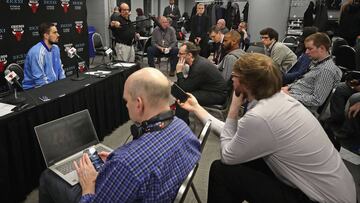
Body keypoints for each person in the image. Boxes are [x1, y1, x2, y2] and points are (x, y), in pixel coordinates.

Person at [179, 53, 356, 203]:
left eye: (234, 76)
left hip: (320, 199)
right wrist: (196, 108)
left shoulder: (261, 116)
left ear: (244, 83)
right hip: (338, 191)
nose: (231, 81)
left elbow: (228, 156)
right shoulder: (279, 101)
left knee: (222, 172)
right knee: (247, 159)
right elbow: (233, 134)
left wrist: (233, 109)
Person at [38, 68, 201, 203]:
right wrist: (115, 161)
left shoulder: (125, 165)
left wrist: (88, 187)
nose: (126, 105)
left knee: (48, 177)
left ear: (139, 104)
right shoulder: (182, 127)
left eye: (126, 101)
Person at [282, 32, 342, 110]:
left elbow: (317, 100)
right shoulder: (317, 63)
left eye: (310, 49)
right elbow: (302, 81)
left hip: (298, 106)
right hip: (291, 96)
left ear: (322, 48)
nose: (306, 52)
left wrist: (290, 95)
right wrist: (288, 87)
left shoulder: (326, 70)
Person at [175, 41, 227, 124]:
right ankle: (182, 121)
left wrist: (179, 72)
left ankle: (180, 126)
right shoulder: (197, 61)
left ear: (189, 55)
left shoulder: (198, 67)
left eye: (181, 54)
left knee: (184, 98)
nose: (178, 56)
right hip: (211, 90)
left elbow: (184, 88)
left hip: (217, 95)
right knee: (178, 89)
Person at [22, 22, 65, 90]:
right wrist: (53, 91)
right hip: (34, 90)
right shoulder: (37, 52)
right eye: (54, 32)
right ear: (46, 35)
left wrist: (64, 84)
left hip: (53, 86)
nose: (58, 35)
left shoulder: (56, 48)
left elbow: (60, 69)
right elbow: (39, 80)